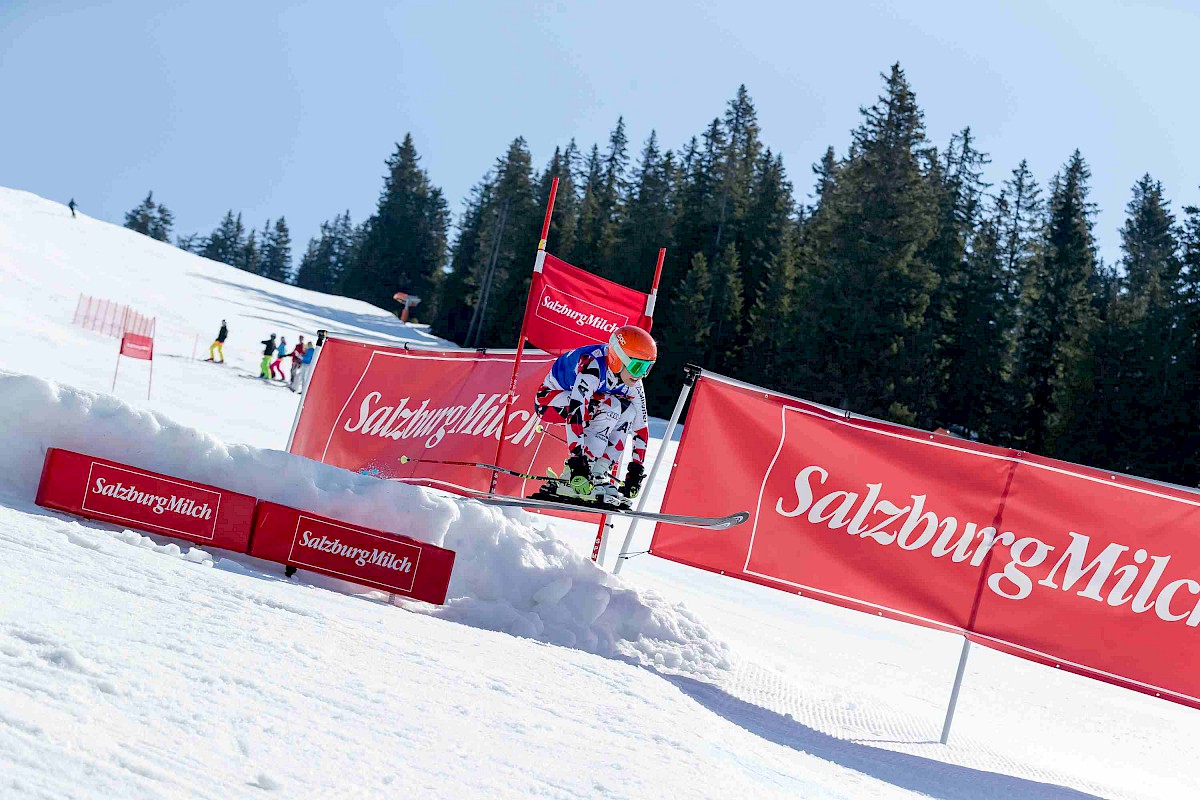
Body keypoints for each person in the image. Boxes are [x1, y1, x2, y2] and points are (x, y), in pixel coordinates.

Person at [531, 325, 655, 508]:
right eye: (638, 367)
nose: (641, 375)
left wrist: (636, 469)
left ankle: (598, 472)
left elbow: (641, 426)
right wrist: (576, 462)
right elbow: (576, 412)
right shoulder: (593, 365)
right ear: (618, 359)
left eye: (647, 368)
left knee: (629, 411)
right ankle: (572, 476)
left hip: (582, 405)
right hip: (549, 401)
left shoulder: (634, 383)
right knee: (610, 405)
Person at [293, 329, 324, 394]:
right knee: (302, 377)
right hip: (306, 364)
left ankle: (303, 390)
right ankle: (300, 389)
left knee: (304, 378)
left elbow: (307, 358)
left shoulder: (310, 350)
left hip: (306, 365)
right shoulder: (311, 350)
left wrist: (300, 356)